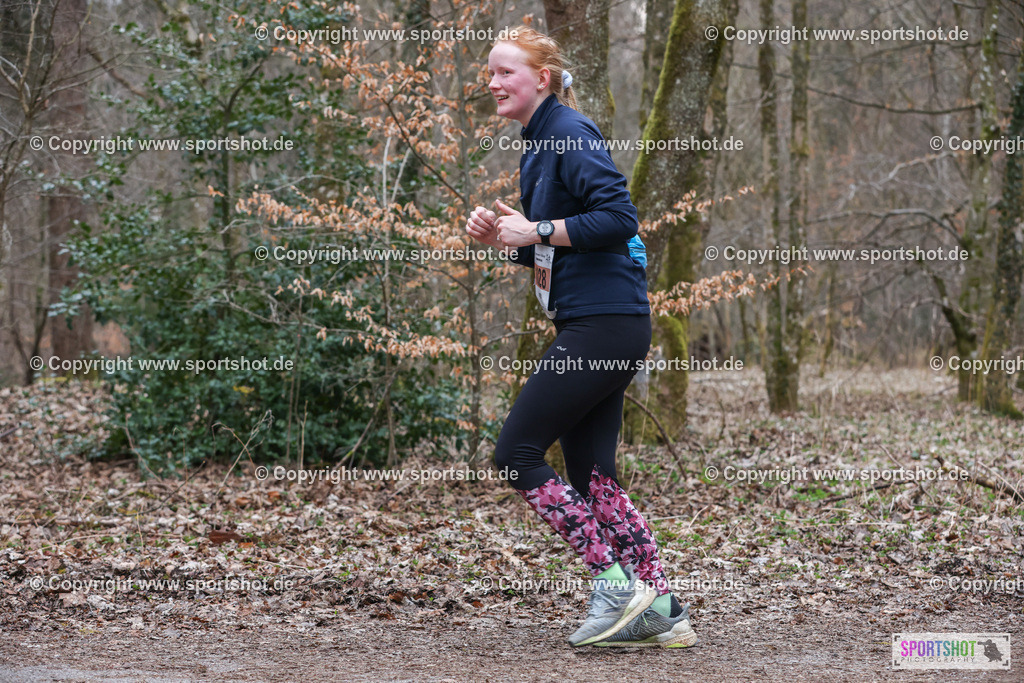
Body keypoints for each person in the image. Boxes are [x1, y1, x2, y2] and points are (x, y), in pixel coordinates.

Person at [464, 26, 696, 649]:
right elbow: (563, 246)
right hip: (600, 321)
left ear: (540, 77)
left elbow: (618, 219)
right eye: (489, 73)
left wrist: (535, 226)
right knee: (594, 475)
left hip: (604, 326)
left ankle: (615, 586)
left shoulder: (568, 131)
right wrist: (508, 240)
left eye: (504, 72)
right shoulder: (537, 144)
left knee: (515, 453)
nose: (492, 83)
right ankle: (663, 610)